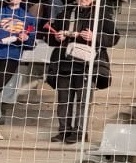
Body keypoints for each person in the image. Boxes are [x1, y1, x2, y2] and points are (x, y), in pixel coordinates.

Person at [44, 0, 118, 144]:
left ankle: (80, 132)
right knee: (63, 100)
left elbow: (114, 37)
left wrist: (94, 37)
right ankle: (64, 130)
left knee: (83, 101)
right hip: (64, 62)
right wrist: (56, 37)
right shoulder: (65, 12)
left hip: (87, 65)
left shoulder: (102, 13)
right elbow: (48, 36)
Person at [0, 0, 37, 138]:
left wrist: (25, 38)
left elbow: (31, 43)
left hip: (12, 57)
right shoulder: (1, 12)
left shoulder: (29, 18)